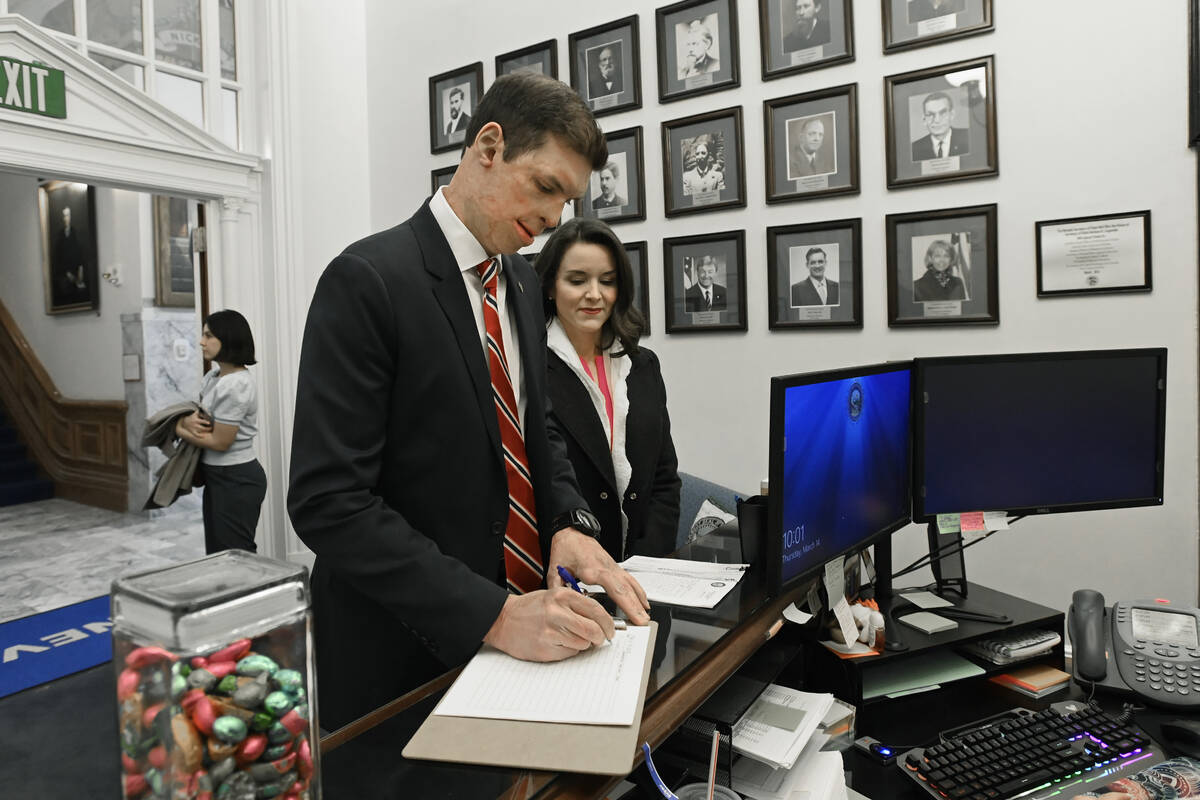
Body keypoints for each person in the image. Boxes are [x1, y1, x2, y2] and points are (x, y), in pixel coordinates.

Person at [288, 72, 652, 731]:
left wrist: (568, 519)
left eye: (567, 201)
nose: (552, 220)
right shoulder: (368, 280)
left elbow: (531, 420)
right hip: (396, 661)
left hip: (514, 650)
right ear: (488, 147)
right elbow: (329, 503)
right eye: (546, 188)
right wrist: (491, 612)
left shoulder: (517, 278)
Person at [536, 218, 681, 560]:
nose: (594, 295)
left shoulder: (644, 364)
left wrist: (645, 565)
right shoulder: (529, 367)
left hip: (643, 570)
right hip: (565, 570)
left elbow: (664, 480)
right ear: (550, 286)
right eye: (577, 280)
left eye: (607, 281)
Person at [174, 310, 265, 554]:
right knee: (218, 553)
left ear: (228, 338)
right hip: (219, 475)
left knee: (235, 554)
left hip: (236, 477)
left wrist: (178, 428)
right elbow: (198, 419)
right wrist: (186, 421)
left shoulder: (236, 384)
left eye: (208, 335)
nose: (202, 342)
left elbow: (219, 441)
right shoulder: (213, 377)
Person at [912, 91, 970, 161]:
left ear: (952, 115)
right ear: (924, 119)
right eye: (930, 114)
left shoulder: (968, 137)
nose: (937, 120)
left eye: (943, 113)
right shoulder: (915, 148)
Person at [50, 206, 89, 307]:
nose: (66, 218)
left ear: (71, 217)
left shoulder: (76, 233)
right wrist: (68, 274)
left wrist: (80, 272)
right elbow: (57, 259)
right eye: (64, 216)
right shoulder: (59, 236)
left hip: (77, 272)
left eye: (67, 215)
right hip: (65, 275)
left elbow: (81, 254)